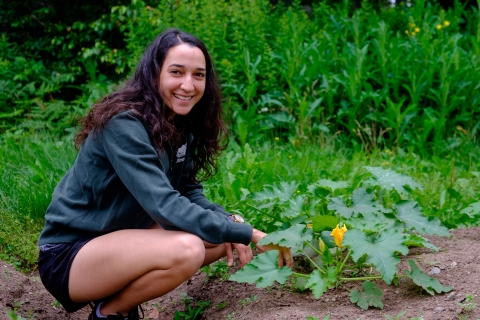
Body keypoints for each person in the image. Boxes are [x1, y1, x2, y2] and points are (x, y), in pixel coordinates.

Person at [37, 28, 293, 320]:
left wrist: (234, 223)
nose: (188, 84)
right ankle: (111, 313)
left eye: (198, 75)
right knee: (189, 248)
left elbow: (188, 192)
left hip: (119, 241)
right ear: (154, 73)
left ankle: (118, 297)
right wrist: (251, 233)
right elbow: (164, 205)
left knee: (221, 235)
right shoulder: (124, 123)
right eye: (176, 72)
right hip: (69, 256)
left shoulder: (178, 124)